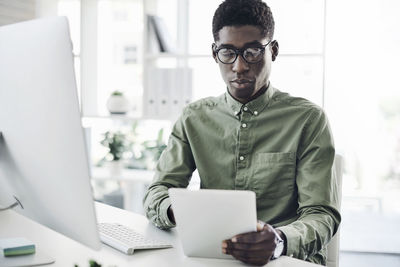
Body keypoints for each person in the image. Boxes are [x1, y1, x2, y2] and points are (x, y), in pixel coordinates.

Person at [143, 0, 341, 265]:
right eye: (228, 52)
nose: (239, 67)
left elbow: (321, 215)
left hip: (285, 260)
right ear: (215, 54)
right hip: (215, 256)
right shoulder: (193, 118)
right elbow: (158, 190)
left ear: (273, 50)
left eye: (252, 52)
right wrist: (177, 210)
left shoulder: (308, 119)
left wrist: (280, 241)